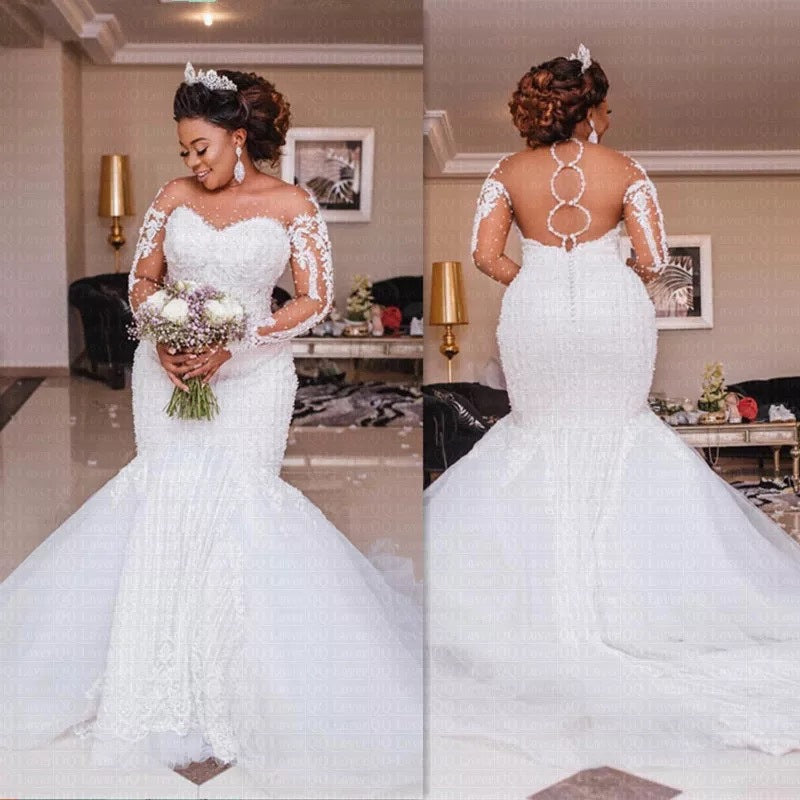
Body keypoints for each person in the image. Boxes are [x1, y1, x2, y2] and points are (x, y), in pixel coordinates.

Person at [0, 63, 422, 800]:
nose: (192, 164)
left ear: (237, 136)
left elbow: (316, 299)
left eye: (201, 148)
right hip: (167, 374)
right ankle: (151, 683)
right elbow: (140, 282)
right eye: (184, 151)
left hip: (253, 377)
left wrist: (239, 340)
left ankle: (240, 686)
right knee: (164, 502)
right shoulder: (172, 198)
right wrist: (161, 336)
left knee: (238, 506)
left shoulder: (291, 203)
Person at [424, 44, 800, 795]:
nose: (611, 116)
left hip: (536, 315)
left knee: (538, 434)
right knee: (621, 434)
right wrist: (598, 275)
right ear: (588, 108)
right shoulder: (628, 171)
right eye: (606, 104)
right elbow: (656, 260)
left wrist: (544, 275)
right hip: (608, 314)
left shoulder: (504, 174)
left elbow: (486, 256)